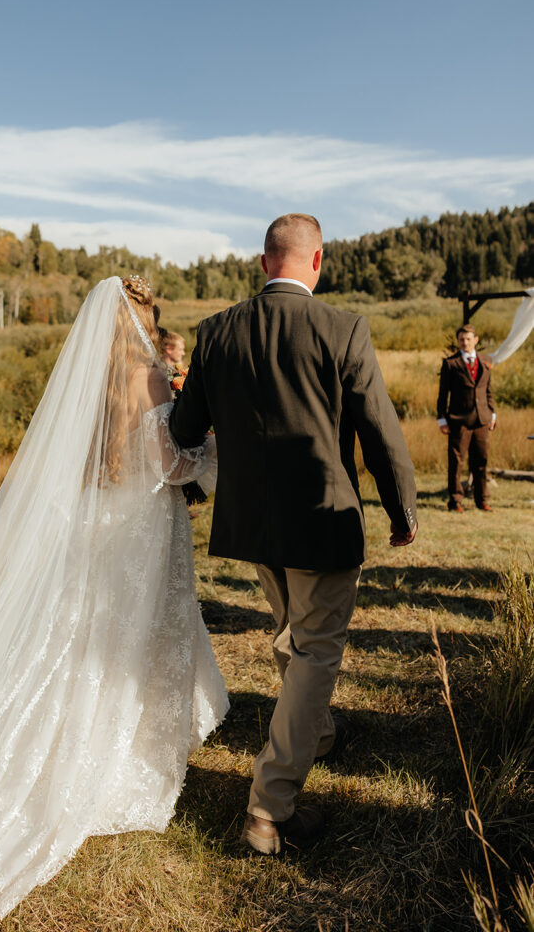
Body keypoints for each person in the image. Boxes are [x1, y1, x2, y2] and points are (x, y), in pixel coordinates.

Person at [0, 277, 226, 932]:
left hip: (99, 522)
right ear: (139, 327)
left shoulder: (86, 385)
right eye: (152, 320)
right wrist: (216, 448)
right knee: (131, 637)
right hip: (141, 525)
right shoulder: (150, 379)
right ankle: (125, 754)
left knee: (89, 635)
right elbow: (173, 467)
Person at [170, 213, 417, 856]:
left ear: (262, 263)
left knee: (289, 633)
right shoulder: (343, 327)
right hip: (321, 517)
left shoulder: (216, 331)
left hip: (253, 523)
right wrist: (402, 509)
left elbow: (186, 430)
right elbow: (377, 429)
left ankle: (319, 733)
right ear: (318, 261)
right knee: (313, 650)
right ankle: (269, 808)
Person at [437, 324, 496, 513]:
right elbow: (442, 394)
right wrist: (441, 419)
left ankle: (482, 500)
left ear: (476, 340)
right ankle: (455, 502)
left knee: (481, 461)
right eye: (461, 339)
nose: (465, 342)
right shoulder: (450, 364)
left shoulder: (486, 361)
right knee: (456, 463)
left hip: (482, 419)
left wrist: (492, 414)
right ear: (458, 341)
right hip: (458, 420)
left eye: (468, 339)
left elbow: (488, 391)